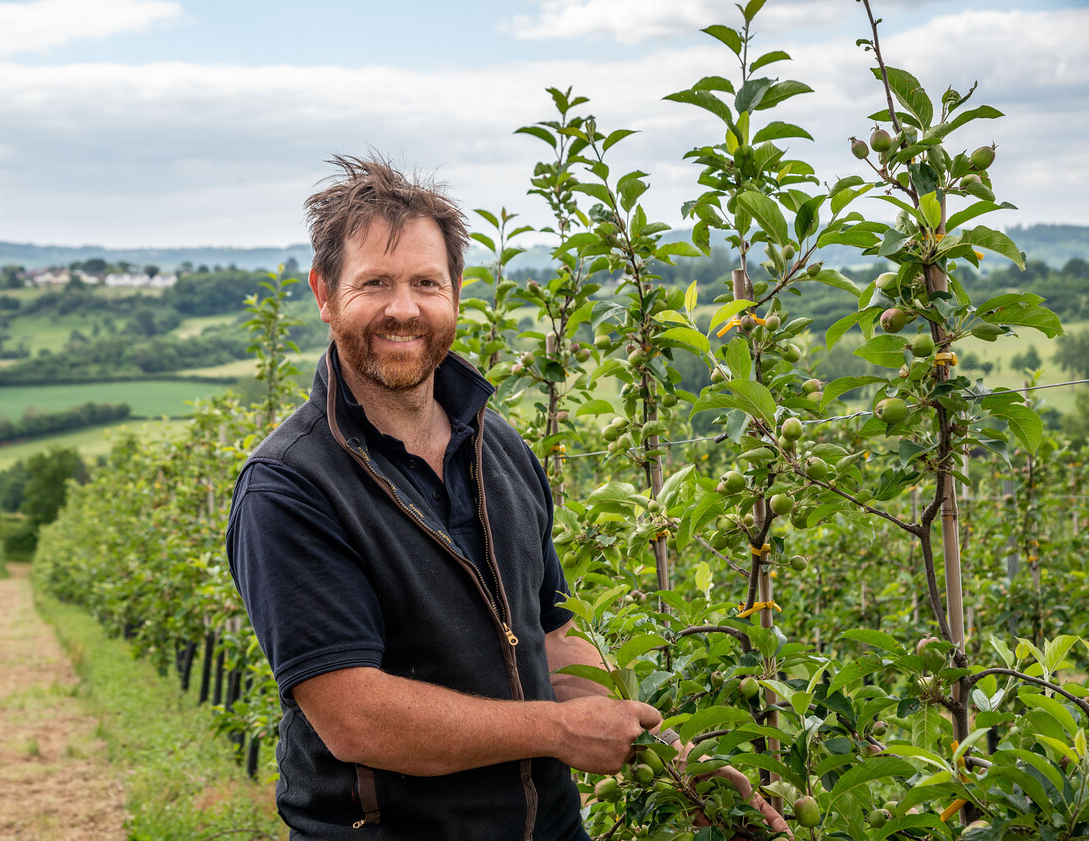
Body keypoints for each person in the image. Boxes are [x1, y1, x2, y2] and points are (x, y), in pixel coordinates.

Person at [225, 155, 789, 840]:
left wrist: (672, 760)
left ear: (455, 294)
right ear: (324, 292)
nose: (404, 308)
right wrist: (558, 730)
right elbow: (355, 716)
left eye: (426, 283)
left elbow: (551, 632)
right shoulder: (290, 485)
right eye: (375, 282)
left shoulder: (500, 448)